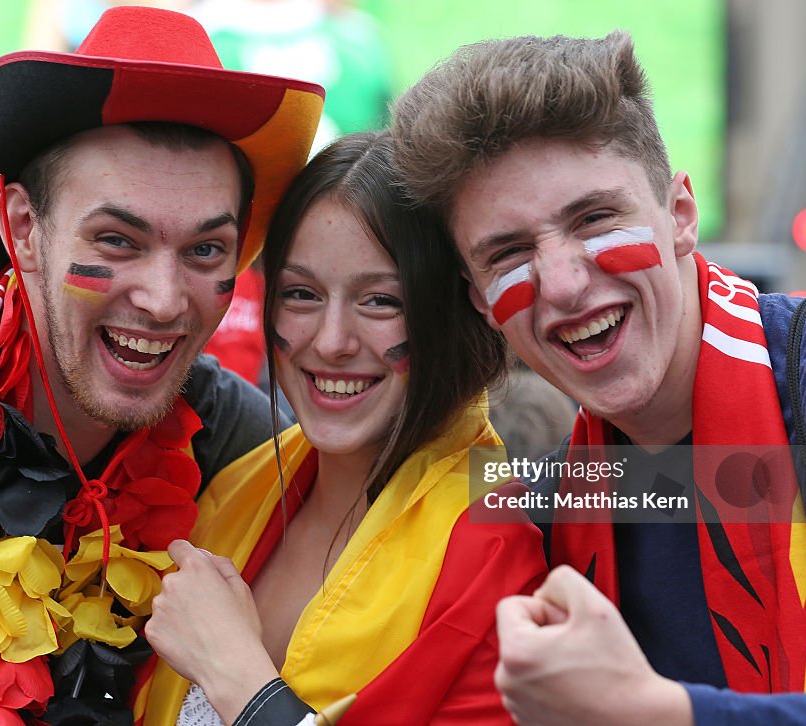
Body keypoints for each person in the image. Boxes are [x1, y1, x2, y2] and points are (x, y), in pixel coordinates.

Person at [390, 30, 806, 724]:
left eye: (594, 219)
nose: (561, 284)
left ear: (680, 214)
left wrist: (657, 712)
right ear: (479, 301)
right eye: (508, 254)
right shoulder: (555, 499)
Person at [0, 7, 323, 724]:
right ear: (23, 230)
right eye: (116, 240)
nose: (165, 302)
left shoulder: (250, 451)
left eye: (205, 250)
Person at [144, 131, 547, 725]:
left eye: (381, 302)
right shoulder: (232, 486)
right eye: (301, 294)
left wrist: (241, 683)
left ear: (459, 309)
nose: (331, 342)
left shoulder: (497, 544)